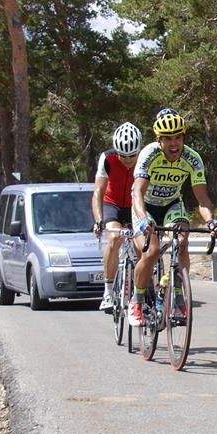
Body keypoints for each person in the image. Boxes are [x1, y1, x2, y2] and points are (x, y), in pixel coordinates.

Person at [128, 108, 217, 327]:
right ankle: (137, 300)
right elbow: (138, 192)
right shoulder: (149, 154)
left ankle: (178, 296)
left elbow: (202, 199)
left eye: (178, 137)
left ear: (184, 137)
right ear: (159, 140)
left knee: (181, 240)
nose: (174, 143)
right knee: (150, 252)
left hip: (172, 204)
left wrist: (211, 221)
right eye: (168, 138)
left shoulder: (192, 159)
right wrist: (143, 218)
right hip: (145, 207)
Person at [92, 122, 142, 312]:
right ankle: (108, 291)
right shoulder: (107, 158)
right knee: (114, 238)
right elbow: (98, 191)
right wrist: (98, 220)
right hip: (112, 204)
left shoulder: (146, 158)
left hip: (135, 205)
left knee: (141, 246)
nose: (128, 160)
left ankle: (142, 291)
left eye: (132, 156)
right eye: (123, 155)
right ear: (116, 151)